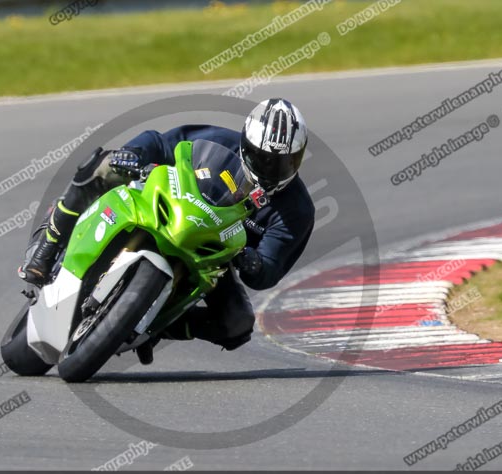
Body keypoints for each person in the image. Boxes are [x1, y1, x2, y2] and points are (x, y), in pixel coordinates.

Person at [18, 98, 315, 354]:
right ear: (245, 143)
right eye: (262, 159)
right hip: (165, 207)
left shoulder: (297, 212)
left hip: (212, 257)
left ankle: (154, 326)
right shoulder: (216, 140)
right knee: (104, 166)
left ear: (299, 158)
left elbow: (270, 268)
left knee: (237, 323)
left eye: (283, 162)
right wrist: (133, 153)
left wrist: (253, 262)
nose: (271, 170)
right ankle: (49, 242)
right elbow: (159, 142)